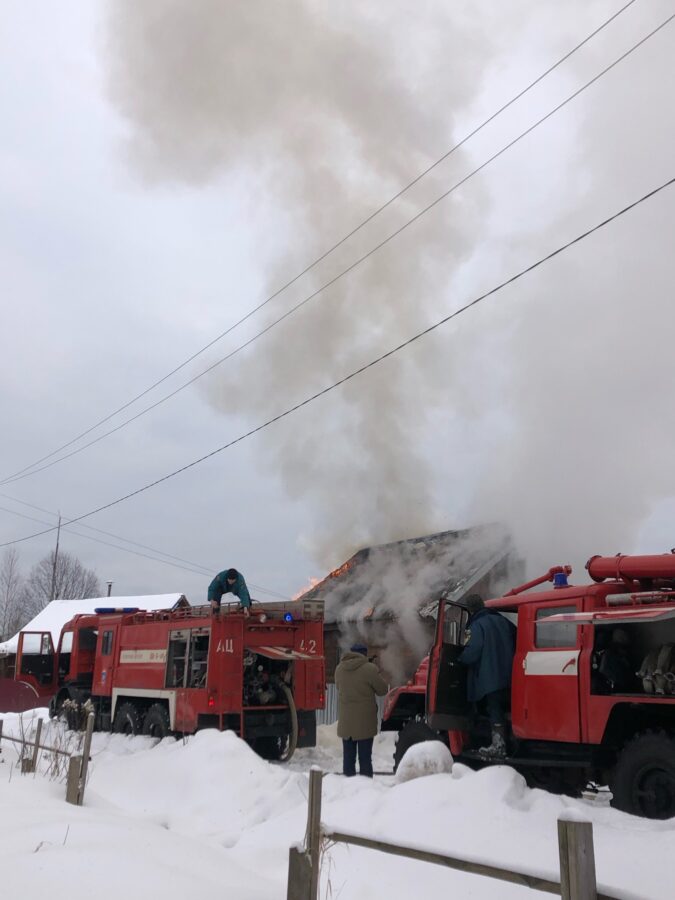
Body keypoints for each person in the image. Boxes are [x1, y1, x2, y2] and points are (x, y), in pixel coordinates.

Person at [459, 594, 516, 759]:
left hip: (490, 677)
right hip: (512, 675)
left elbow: (473, 651)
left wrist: (460, 659)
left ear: (470, 610)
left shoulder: (477, 625)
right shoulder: (503, 621)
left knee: (494, 708)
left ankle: (498, 745)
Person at [335, 643, 388, 777]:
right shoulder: (370, 669)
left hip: (346, 723)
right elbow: (382, 690)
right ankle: (366, 787)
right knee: (365, 759)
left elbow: (339, 687)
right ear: (364, 654)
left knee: (348, 759)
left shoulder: (339, 669)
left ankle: (348, 785)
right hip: (365, 723)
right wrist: (376, 671)